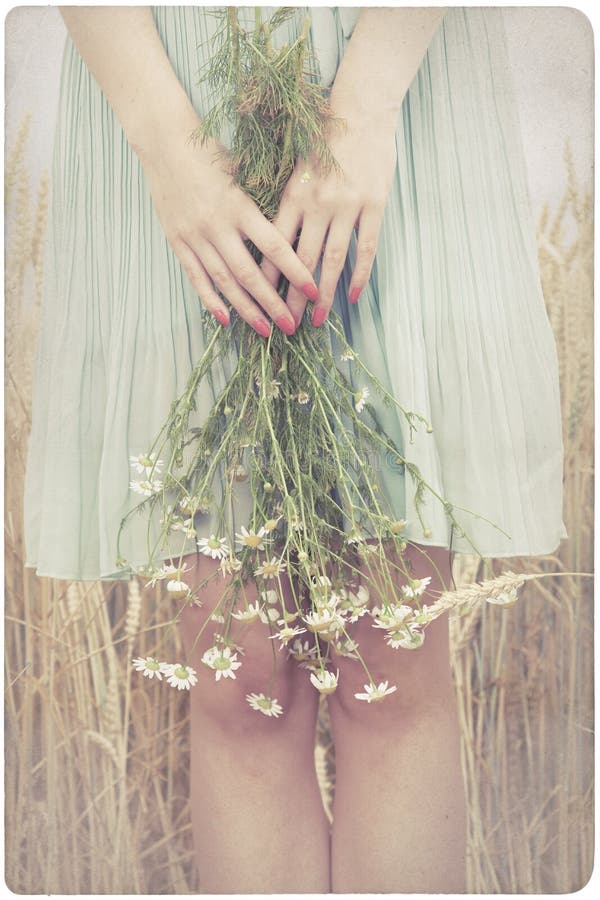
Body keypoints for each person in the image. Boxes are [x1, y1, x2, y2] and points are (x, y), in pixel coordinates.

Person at [23, 5, 567, 893]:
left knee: (386, 662)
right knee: (241, 675)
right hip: (169, 74)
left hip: (395, 67)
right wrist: (168, 148)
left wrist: (366, 102)